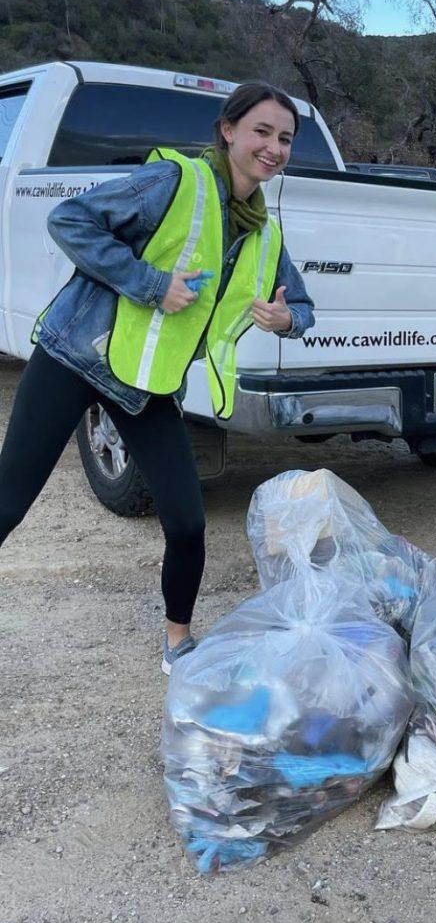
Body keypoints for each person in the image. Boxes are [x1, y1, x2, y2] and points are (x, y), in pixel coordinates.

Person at [0, 82, 315, 674]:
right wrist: (149, 282)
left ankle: (178, 643)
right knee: (9, 501)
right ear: (228, 130)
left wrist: (286, 317)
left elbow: (301, 304)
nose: (273, 148)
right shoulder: (176, 182)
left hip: (144, 379)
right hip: (76, 356)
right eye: (262, 132)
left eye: (285, 139)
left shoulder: (264, 231)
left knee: (187, 520)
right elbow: (70, 220)